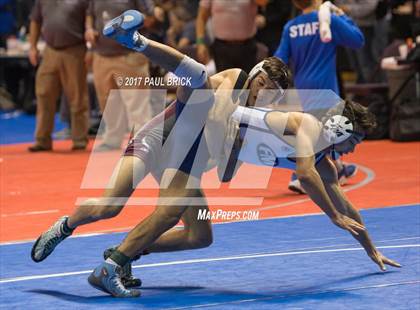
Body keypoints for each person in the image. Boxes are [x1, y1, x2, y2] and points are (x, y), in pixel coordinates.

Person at [31, 9, 400, 298]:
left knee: (198, 235)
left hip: (187, 153)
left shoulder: (317, 155)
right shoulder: (239, 82)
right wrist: (228, 149)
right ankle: (137, 41)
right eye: (264, 84)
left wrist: (370, 248)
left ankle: (124, 252)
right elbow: (225, 117)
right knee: (111, 205)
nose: (265, 93)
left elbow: (346, 208)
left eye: (272, 91)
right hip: (163, 135)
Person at [274, 0, 365, 194]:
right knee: (326, 134)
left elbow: (279, 60)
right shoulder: (328, 19)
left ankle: (339, 169)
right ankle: (299, 175)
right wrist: (341, 15)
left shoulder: (290, 27)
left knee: (323, 131)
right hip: (326, 88)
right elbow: (358, 40)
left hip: (304, 89)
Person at [85, 0, 156, 151]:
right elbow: (90, 14)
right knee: (108, 102)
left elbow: (150, 18)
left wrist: (127, 23)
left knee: (136, 101)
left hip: (129, 55)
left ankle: (142, 141)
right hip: (102, 54)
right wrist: (89, 29)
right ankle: (112, 139)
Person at [28, 0, 90, 152]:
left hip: (74, 50)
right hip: (50, 50)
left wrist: (91, 49)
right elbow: (35, 21)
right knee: (43, 93)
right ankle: (42, 140)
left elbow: (90, 22)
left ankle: (80, 140)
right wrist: (32, 47)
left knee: (77, 97)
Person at [195, 0, 267, 72]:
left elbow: (264, 2)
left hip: (247, 47)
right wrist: (200, 42)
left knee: (247, 81)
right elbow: (201, 17)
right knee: (224, 81)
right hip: (222, 47)